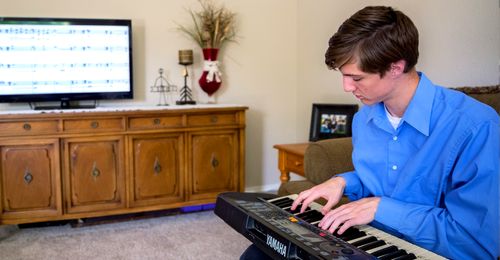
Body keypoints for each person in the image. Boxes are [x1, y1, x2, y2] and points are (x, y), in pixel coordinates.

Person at [241, 5, 499, 260]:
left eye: (357, 78)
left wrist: (381, 208)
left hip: (427, 251)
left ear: (396, 68)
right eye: (343, 75)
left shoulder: (476, 127)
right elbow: (384, 178)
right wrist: (342, 182)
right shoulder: (364, 117)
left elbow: (476, 244)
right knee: (258, 253)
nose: (346, 87)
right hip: (369, 239)